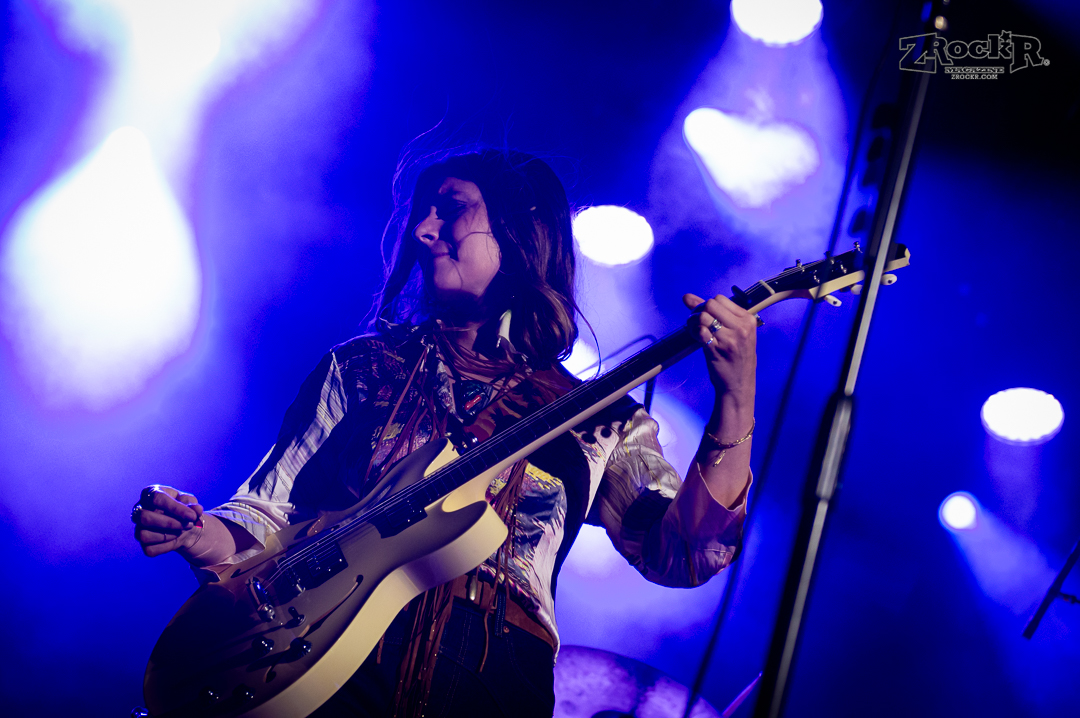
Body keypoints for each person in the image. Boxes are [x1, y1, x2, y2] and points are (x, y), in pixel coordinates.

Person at [131, 149, 758, 717]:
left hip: (492, 672)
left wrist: (735, 396)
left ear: (520, 230)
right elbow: (269, 513)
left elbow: (682, 554)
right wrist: (197, 532)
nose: (423, 230)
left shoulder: (598, 418)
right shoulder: (364, 368)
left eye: (451, 209)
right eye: (422, 215)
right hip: (331, 650)